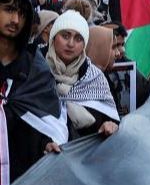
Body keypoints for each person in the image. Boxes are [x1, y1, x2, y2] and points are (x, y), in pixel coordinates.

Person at [0, 0, 67, 185]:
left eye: (22, 13)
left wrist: (45, 143)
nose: (15, 20)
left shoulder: (34, 69)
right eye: (9, 10)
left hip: (21, 180)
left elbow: (43, 119)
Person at [45, 11, 119, 140]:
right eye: (65, 36)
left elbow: (110, 119)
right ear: (53, 37)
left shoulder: (95, 78)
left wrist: (110, 125)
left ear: (84, 45)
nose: (71, 44)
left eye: (78, 38)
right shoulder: (35, 71)